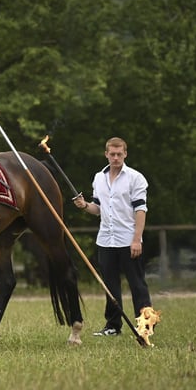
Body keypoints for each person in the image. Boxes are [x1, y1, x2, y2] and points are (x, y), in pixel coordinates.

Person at [73, 137, 152, 336]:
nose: (116, 157)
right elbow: (97, 208)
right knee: (110, 286)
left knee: (137, 284)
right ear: (106, 154)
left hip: (129, 240)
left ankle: (145, 327)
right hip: (106, 240)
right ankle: (113, 326)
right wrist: (84, 206)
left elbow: (141, 210)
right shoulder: (99, 178)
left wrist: (136, 239)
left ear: (125, 154)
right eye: (112, 154)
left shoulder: (135, 178)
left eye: (119, 154)